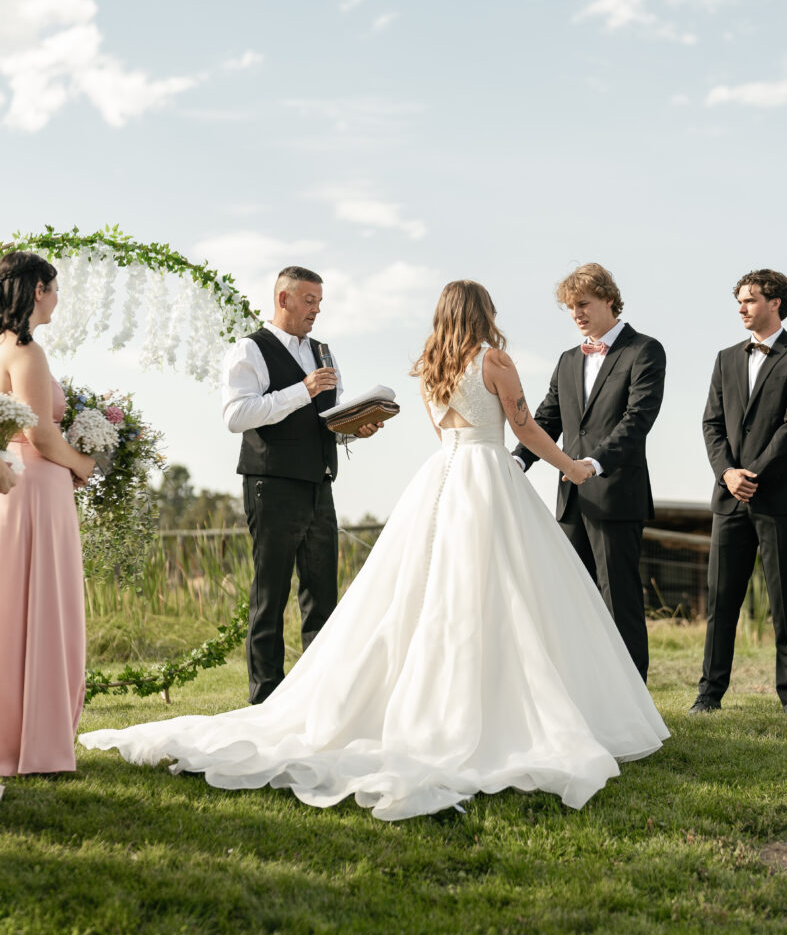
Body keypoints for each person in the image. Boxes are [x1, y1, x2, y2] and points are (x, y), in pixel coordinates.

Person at [80, 280, 668, 820]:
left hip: (443, 476)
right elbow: (524, 427)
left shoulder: (431, 367)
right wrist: (569, 466)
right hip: (488, 477)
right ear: (483, 313)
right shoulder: (495, 360)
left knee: (430, 591)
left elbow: (445, 434)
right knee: (508, 590)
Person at [222, 266, 382, 704]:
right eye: (309, 300)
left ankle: (317, 695)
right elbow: (236, 416)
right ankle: (266, 698)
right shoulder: (249, 349)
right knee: (270, 595)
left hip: (319, 483)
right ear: (283, 299)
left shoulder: (323, 350)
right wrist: (303, 389)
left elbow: (325, 419)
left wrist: (355, 427)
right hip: (271, 484)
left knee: (322, 594)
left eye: (319, 302)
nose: (316, 310)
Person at [512, 264, 665, 682]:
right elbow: (546, 419)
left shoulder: (645, 351)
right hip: (571, 502)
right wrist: (517, 461)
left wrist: (593, 464)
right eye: (570, 307)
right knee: (569, 602)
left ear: (609, 299)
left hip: (616, 494)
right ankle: (583, 693)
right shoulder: (566, 360)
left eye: (583, 304)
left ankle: (632, 703)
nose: (576, 313)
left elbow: (637, 419)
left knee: (619, 603)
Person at [691, 270, 787, 717]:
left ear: (776, 303)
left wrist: (754, 475)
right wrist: (728, 473)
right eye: (740, 301)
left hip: (779, 499)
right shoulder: (726, 358)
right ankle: (709, 694)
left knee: (786, 601)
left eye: (750, 300)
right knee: (722, 600)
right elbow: (711, 424)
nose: (742, 308)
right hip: (729, 499)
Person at [0, 252, 96, 776]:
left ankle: (14, 735)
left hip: (13, 486)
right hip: (37, 488)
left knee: (15, 609)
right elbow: (40, 432)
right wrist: (85, 463)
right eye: (55, 288)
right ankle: (36, 744)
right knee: (44, 606)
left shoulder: (0, 346)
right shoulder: (26, 350)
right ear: (38, 288)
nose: (57, 298)